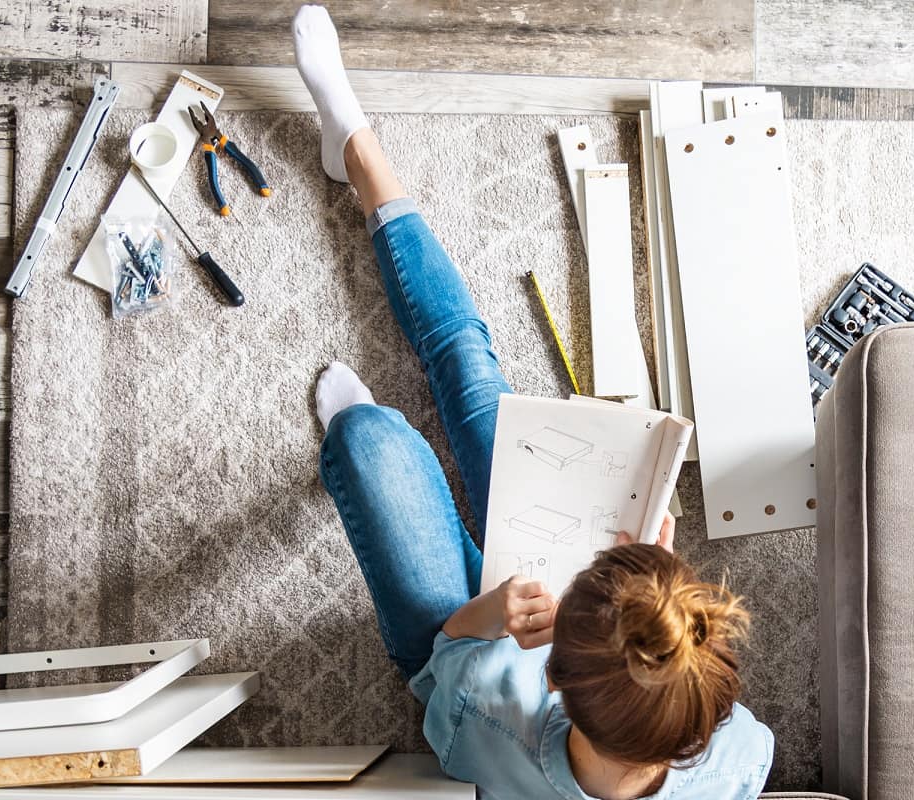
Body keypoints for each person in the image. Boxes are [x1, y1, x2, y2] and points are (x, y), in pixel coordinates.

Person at [294, 6, 773, 798]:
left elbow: (453, 668)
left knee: (367, 438)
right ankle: (358, 152)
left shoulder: (490, 722)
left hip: (464, 642)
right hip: (578, 653)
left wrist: (486, 619)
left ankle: (373, 428)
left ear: (554, 683)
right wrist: (661, 572)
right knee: (476, 381)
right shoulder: (724, 759)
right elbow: (731, 730)